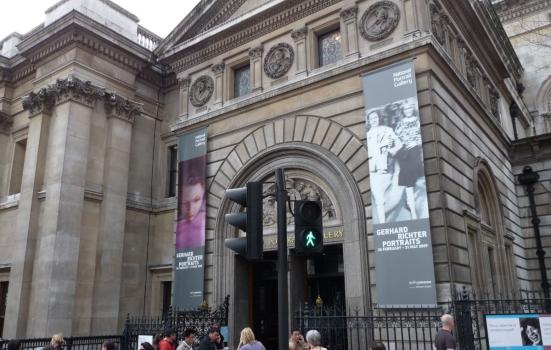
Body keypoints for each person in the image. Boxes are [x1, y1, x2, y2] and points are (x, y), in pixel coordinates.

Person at [366, 110, 402, 223]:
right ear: (369, 121)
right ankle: (383, 222)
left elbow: (399, 144)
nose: (374, 120)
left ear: (379, 118)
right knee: (378, 199)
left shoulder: (387, 130)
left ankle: (391, 213)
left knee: (391, 195)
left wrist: (392, 151)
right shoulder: (367, 135)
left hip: (386, 168)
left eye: (375, 117)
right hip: (373, 170)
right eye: (371, 119)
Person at [394, 103, 424, 220]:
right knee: (408, 181)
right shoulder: (400, 123)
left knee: (416, 175)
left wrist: (415, 143)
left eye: (409, 108)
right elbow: (397, 137)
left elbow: (421, 135)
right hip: (404, 153)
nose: (408, 110)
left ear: (412, 109)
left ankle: (411, 201)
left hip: (415, 150)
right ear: (403, 110)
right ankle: (412, 208)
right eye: (405, 108)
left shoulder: (417, 121)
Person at [176, 156, 207, 249]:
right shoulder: (179, 227)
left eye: (196, 200)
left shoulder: (204, 224)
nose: (191, 209)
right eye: (185, 203)